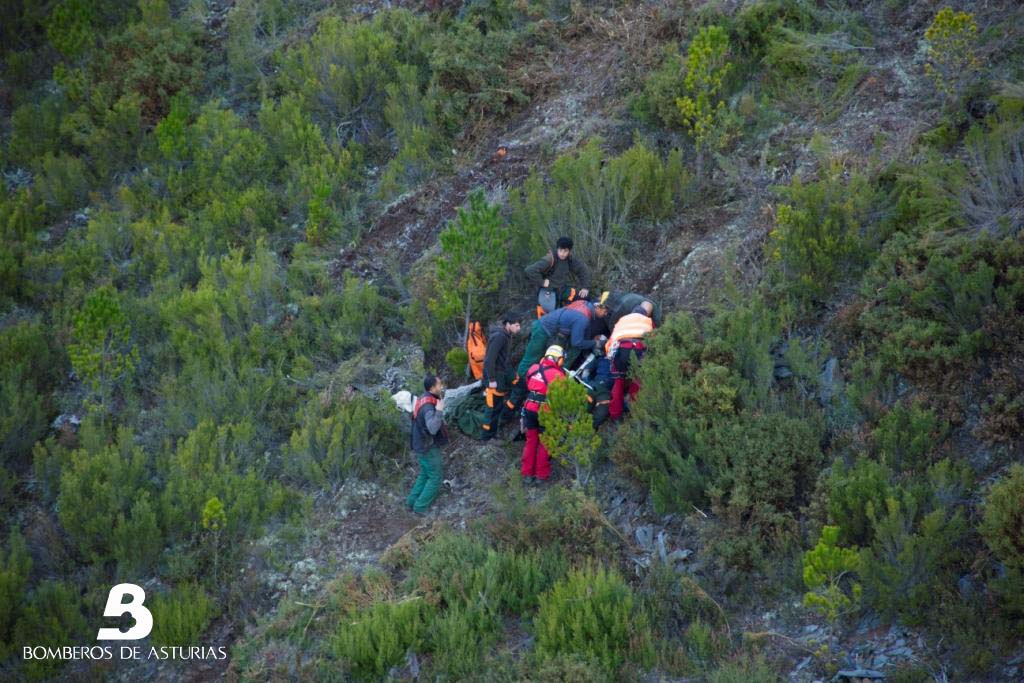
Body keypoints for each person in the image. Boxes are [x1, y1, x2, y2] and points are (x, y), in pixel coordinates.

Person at [506, 296, 609, 412]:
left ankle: (533, 386)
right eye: (605, 311)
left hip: (550, 330)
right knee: (530, 360)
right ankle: (518, 387)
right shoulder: (583, 318)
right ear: (598, 307)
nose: (605, 314)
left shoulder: (584, 305)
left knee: (540, 360)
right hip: (543, 329)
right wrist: (595, 343)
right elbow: (577, 342)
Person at [520, 345, 567, 484]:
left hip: (529, 409)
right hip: (546, 411)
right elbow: (562, 396)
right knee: (545, 443)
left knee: (531, 441)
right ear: (559, 360)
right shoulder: (559, 375)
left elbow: (528, 385)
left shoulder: (533, 369)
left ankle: (527, 474)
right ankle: (541, 475)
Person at [406, 375, 449, 515]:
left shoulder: (424, 398)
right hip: (427, 447)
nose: (441, 386)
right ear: (432, 388)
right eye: (439, 384)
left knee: (425, 474)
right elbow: (433, 428)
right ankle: (420, 507)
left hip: (419, 444)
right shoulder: (428, 406)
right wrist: (439, 410)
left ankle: (411, 502)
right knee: (436, 477)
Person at [605, 304, 655, 421]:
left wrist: (611, 359)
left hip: (621, 350)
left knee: (618, 382)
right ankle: (634, 411)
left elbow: (611, 342)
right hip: (638, 349)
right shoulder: (648, 321)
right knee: (637, 381)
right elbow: (653, 340)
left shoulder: (621, 320)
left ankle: (615, 415)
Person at [481, 317, 521, 440]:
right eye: (516, 325)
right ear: (508, 324)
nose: (519, 328)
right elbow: (489, 361)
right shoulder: (500, 337)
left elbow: (503, 359)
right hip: (494, 377)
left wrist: (512, 374)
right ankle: (486, 437)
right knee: (492, 408)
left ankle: (496, 429)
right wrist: (492, 380)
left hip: (501, 375)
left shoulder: (507, 336)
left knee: (497, 406)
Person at [525, 236, 591, 310]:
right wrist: (542, 282)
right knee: (553, 313)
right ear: (557, 249)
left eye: (565, 251)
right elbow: (530, 270)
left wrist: (585, 287)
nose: (562, 254)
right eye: (560, 250)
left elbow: (582, 270)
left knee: (585, 298)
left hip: (562, 289)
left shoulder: (570, 259)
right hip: (548, 291)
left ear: (569, 251)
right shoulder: (550, 259)